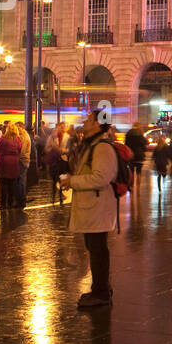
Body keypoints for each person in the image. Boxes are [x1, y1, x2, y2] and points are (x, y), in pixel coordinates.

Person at [59, 109, 119, 308]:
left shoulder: (102, 148)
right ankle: (100, 289)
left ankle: (101, 293)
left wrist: (72, 181)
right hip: (93, 206)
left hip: (98, 207)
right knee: (95, 249)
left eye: (89, 119)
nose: (85, 122)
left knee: (98, 250)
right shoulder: (92, 145)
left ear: (96, 124)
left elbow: (101, 177)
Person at [0, 125, 22, 209]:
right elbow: (20, 149)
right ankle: (10, 203)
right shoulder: (18, 140)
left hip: (3, 163)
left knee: (3, 185)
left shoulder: (2, 139)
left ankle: (3, 204)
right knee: (12, 184)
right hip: (14, 163)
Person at [125, 123, 149, 198]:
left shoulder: (128, 134)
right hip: (139, 156)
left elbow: (126, 144)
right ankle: (138, 189)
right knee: (139, 172)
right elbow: (146, 143)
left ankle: (131, 187)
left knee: (131, 172)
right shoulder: (140, 134)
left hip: (131, 156)